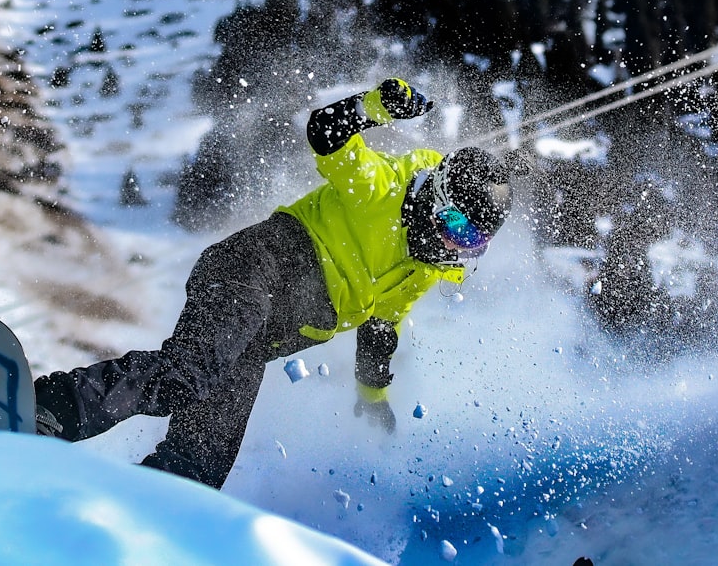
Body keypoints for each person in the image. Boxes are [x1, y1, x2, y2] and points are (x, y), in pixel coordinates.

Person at [33, 78, 514, 489]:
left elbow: (380, 331)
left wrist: (373, 400)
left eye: (471, 242)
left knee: (203, 461)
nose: (455, 246)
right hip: (253, 272)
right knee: (187, 375)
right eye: (455, 227)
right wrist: (375, 107)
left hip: (261, 339)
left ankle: (148, 512)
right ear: (435, 197)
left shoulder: (424, 268)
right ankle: (47, 411)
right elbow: (326, 133)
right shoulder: (382, 187)